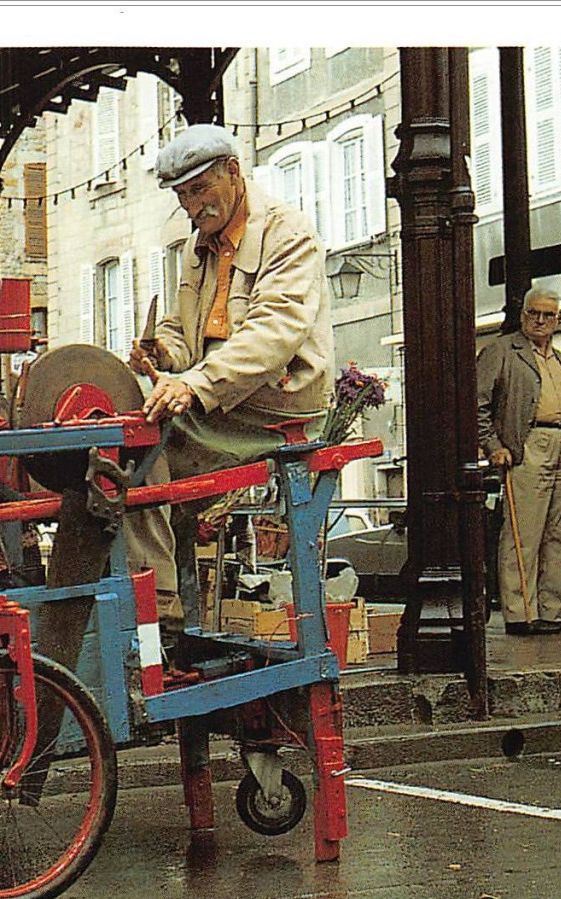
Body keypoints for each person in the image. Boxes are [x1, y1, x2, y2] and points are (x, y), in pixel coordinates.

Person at [114, 123, 333, 625]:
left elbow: (273, 334)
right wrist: (163, 354)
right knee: (116, 445)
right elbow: (181, 327)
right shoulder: (201, 245)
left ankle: (158, 615)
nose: (191, 207)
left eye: (199, 190)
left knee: (140, 455)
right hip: (220, 402)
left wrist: (192, 384)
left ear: (233, 172)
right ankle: (150, 600)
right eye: (182, 195)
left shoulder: (288, 232)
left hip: (274, 408)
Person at [476, 287, 561, 634]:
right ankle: (521, 613)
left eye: (548, 315)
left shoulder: (560, 359)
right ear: (523, 314)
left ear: (558, 319)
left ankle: (552, 611)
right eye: (533, 313)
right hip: (530, 442)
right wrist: (492, 445)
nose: (540, 321)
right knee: (523, 533)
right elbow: (476, 404)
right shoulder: (501, 351)